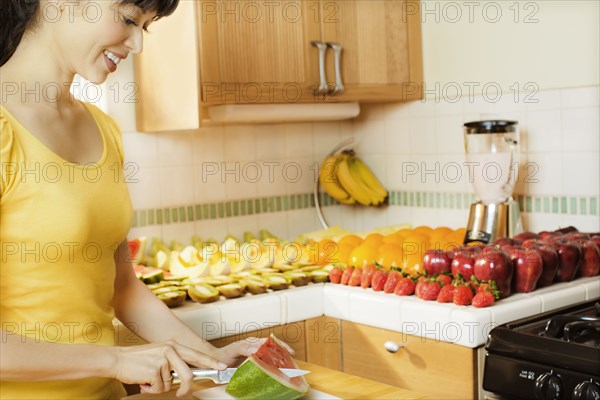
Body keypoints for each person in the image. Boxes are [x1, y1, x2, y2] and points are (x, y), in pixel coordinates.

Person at [0, 1, 292, 398]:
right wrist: (115, 361)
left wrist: (212, 360)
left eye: (146, 27)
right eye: (127, 19)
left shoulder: (103, 128)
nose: (137, 43)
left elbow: (123, 287)